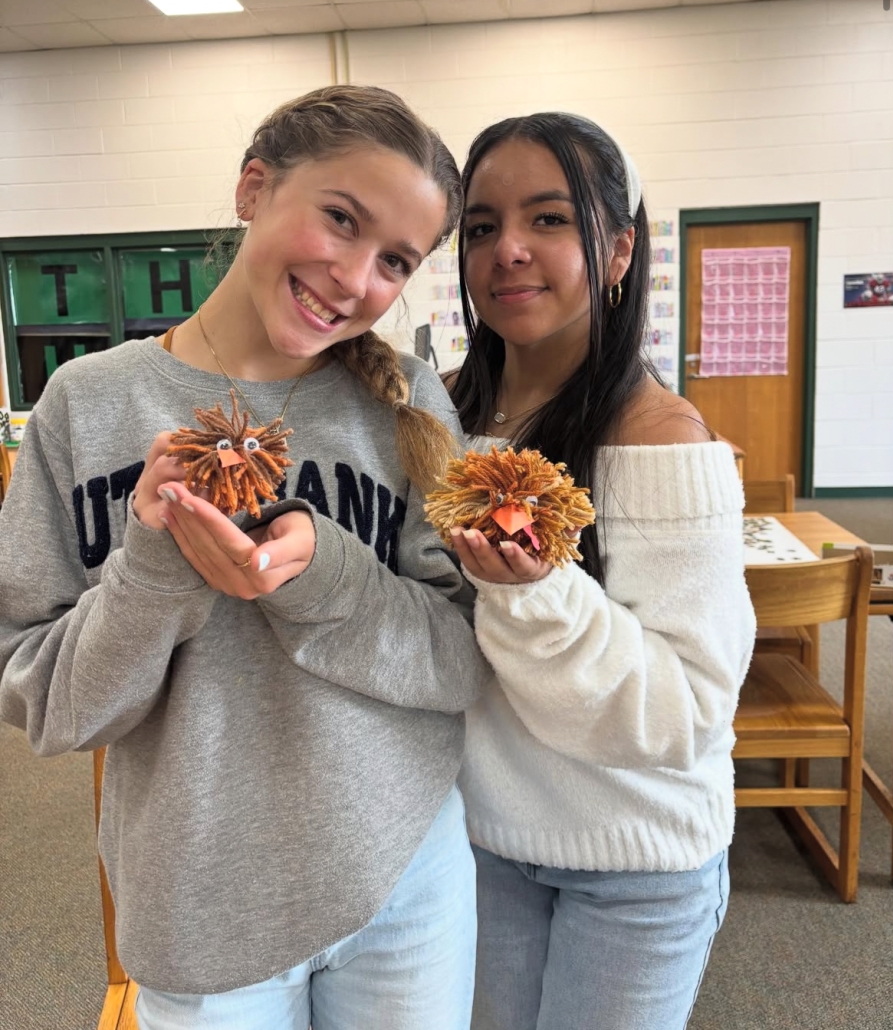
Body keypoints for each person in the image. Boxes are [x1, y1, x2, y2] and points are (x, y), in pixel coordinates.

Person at [0, 85, 490, 1030]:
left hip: (402, 876)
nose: (354, 279)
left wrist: (322, 578)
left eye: (395, 260)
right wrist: (150, 572)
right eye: (339, 220)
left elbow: (464, 654)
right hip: (198, 895)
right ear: (254, 189)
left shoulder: (412, 403)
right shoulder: (86, 404)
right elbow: (43, 701)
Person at [446, 113, 756, 1030]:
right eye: (480, 226)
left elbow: (686, 711)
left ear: (617, 248)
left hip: (637, 868)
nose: (508, 251)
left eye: (548, 219)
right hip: (479, 843)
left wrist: (532, 593)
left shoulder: (661, 436)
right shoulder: (446, 424)